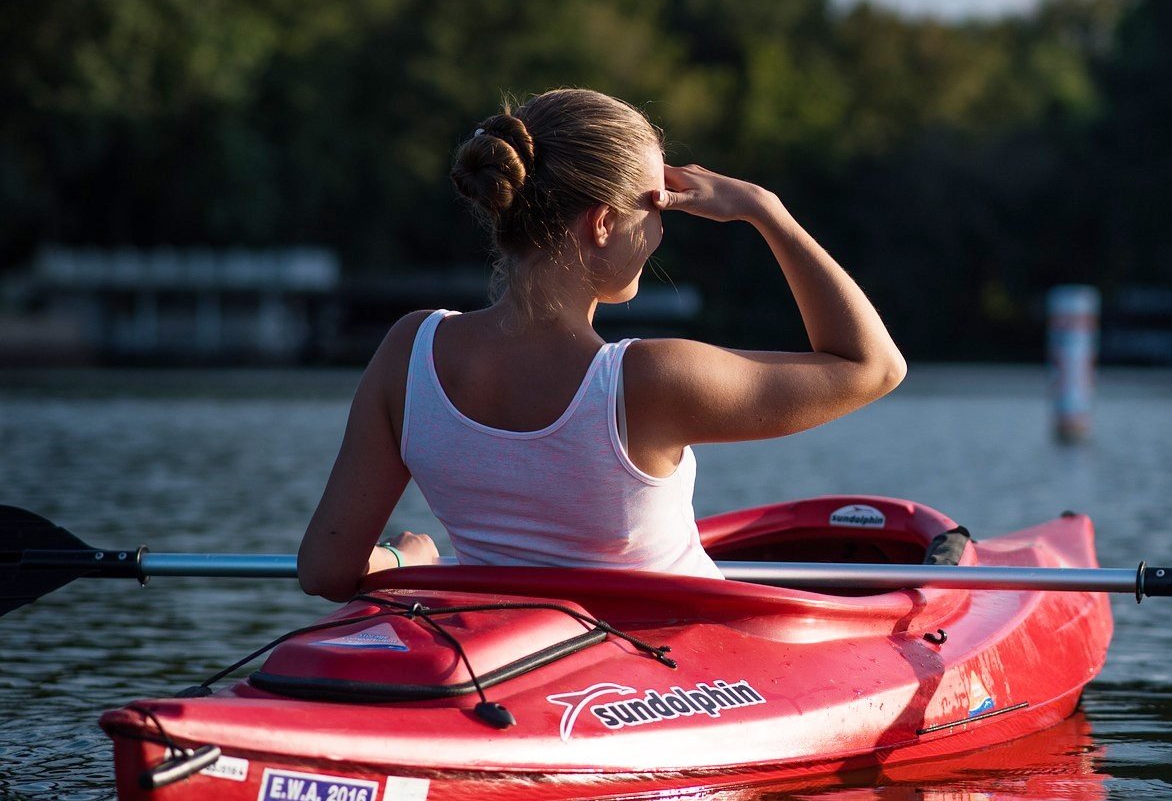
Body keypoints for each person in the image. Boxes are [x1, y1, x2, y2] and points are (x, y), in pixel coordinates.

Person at [296, 88, 907, 602]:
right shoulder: (649, 379)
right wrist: (766, 211)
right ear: (604, 223)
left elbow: (327, 570)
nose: (664, 227)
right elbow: (874, 365)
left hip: (516, 670)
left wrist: (405, 566)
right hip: (666, 682)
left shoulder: (410, 350)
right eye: (657, 204)